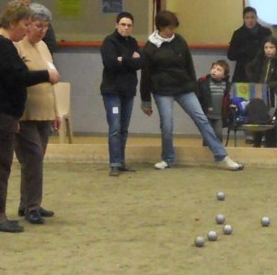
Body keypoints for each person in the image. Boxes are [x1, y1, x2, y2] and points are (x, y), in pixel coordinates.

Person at [0, 0, 59, 233]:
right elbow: (17, 77)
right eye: (25, 24)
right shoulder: (1, 44)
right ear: (12, 22)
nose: (26, 29)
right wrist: (46, 75)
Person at [140, 10, 243, 171]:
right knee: (167, 124)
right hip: (162, 90)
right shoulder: (150, 48)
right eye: (169, 28)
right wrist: (145, 100)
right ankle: (167, 158)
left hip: (184, 87)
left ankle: (222, 156)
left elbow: (189, 65)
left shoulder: (179, 41)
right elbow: (145, 75)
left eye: (174, 28)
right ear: (160, 27)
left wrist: (195, 88)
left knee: (202, 119)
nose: (172, 31)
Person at [14, 3, 59, 224]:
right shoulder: (17, 47)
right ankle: (32, 206)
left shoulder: (43, 47)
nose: (42, 31)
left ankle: (27, 203)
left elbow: (51, 81)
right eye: (39, 25)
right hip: (25, 115)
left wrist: (56, 112)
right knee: (33, 159)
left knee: (35, 161)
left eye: (46, 27)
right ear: (27, 24)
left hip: (45, 113)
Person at [99, 11, 142, 176]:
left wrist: (122, 59)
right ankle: (114, 163)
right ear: (116, 25)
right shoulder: (109, 41)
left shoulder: (133, 42)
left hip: (128, 91)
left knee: (124, 128)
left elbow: (140, 62)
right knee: (115, 127)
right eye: (123, 24)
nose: (126, 28)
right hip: (112, 92)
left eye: (129, 25)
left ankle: (121, 161)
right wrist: (129, 58)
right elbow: (110, 63)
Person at [246, 37, 277, 147]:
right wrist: (254, 82)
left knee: (271, 118)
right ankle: (257, 142)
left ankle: (271, 144)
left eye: (271, 47)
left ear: (276, 48)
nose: (268, 50)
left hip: (275, 94)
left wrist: (269, 85)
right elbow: (248, 68)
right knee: (258, 116)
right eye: (266, 47)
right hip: (260, 93)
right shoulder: (260, 59)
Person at [227, 7, 271, 83]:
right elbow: (231, 55)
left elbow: (271, 51)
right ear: (244, 19)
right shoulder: (238, 34)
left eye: (252, 17)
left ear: (256, 18)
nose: (250, 20)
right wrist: (243, 50)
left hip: (260, 69)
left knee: (259, 90)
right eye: (247, 18)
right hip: (242, 71)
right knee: (241, 90)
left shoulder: (265, 32)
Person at [197, 59, 231, 144]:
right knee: (207, 134)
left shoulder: (227, 85)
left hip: (219, 116)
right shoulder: (204, 82)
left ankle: (218, 150)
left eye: (219, 70)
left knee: (218, 134)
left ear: (224, 75)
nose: (214, 71)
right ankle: (206, 149)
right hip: (207, 114)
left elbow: (228, 98)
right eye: (213, 68)